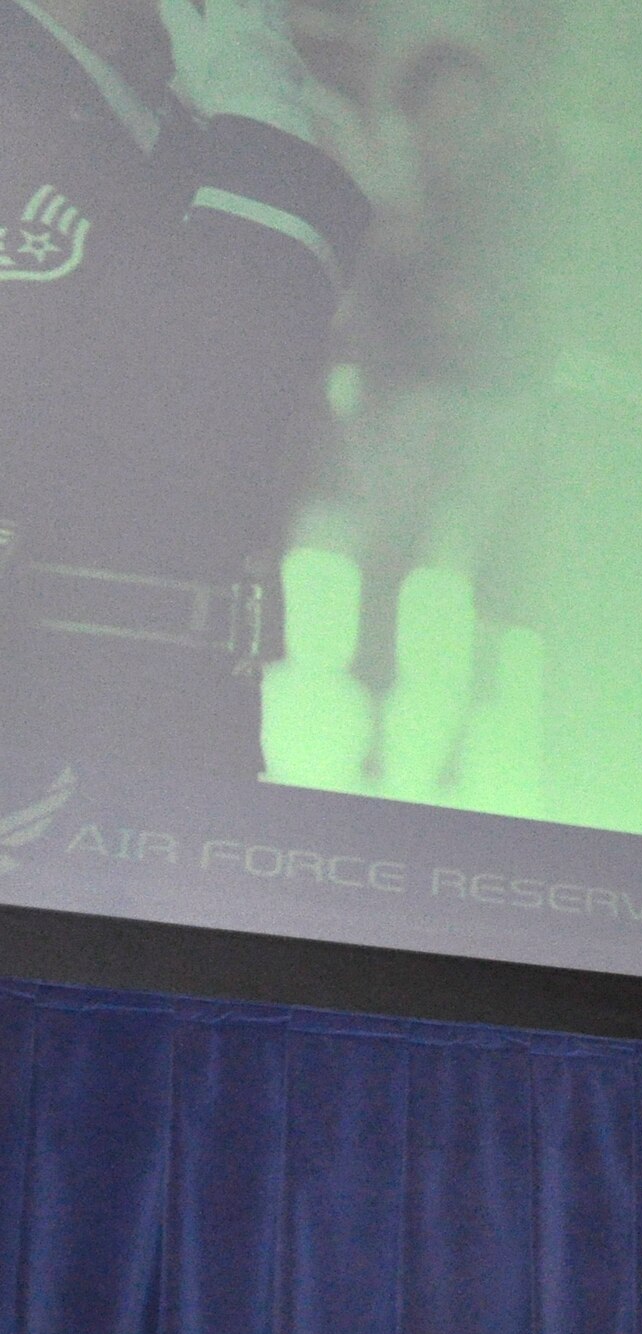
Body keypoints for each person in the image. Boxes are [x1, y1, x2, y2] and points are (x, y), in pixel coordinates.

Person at [1, 0, 367, 781]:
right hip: (53, 711)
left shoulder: (163, 108)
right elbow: (204, 390)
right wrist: (264, 122)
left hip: (166, 708)